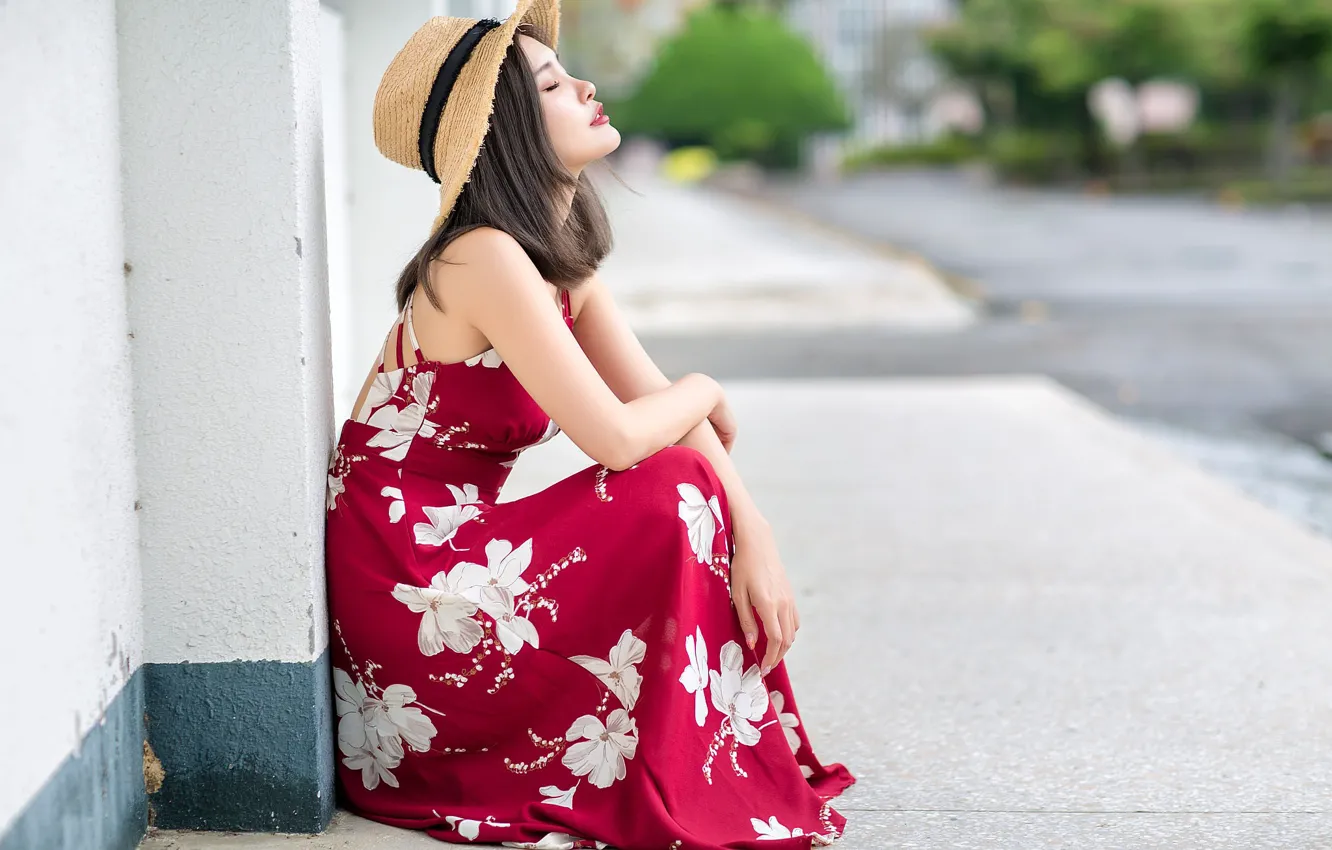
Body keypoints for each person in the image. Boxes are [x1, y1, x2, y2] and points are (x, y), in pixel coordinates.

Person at [324, 4, 854, 848]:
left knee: (687, 479)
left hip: (466, 554)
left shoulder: (556, 269)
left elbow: (670, 427)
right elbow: (617, 438)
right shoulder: (479, 256)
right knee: (670, 487)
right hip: (412, 589)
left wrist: (757, 538)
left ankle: (690, 755)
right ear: (508, 130)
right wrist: (703, 386)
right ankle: (678, 764)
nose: (586, 85)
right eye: (552, 83)